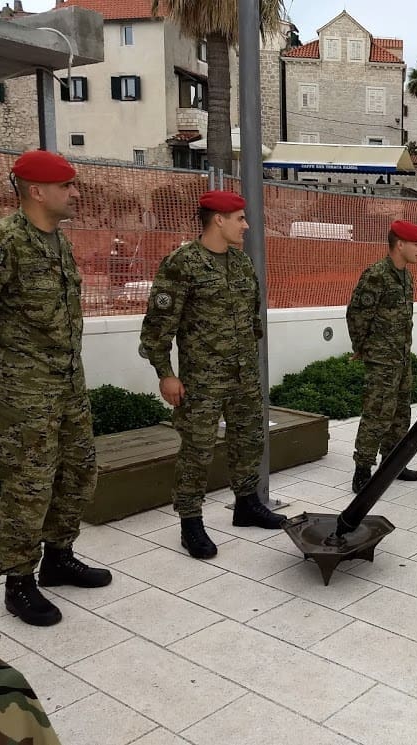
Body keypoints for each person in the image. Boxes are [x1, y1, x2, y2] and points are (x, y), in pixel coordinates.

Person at [0, 150, 112, 627]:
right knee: (29, 483)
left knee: (78, 472)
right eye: (67, 186)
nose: (75, 193)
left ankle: (58, 557)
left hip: (67, 381)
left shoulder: (57, 241)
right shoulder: (1, 242)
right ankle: (18, 581)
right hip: (22, 390)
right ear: (37, 191)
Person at [140, 190, 285, 561]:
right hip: (202, 380)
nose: (246, 225)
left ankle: (247, 504)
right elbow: (158, 327)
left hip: (243, 376)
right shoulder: (182, 263)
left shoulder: (241, 263)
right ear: (218, 219)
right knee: (197, 450)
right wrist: (166, 374)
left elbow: (253, 317)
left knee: (249, 439)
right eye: (240, 218)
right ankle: (190, 521)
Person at [347, 220, 417, 493]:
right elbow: (357, 314)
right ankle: (362, 469)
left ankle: (393, 463)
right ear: (400, 244)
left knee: (401, 412)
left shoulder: (406, 276)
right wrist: (363, 348)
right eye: (415, 244)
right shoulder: (376, 275)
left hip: (401, 357)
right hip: (381, 360)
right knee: (377, 413)